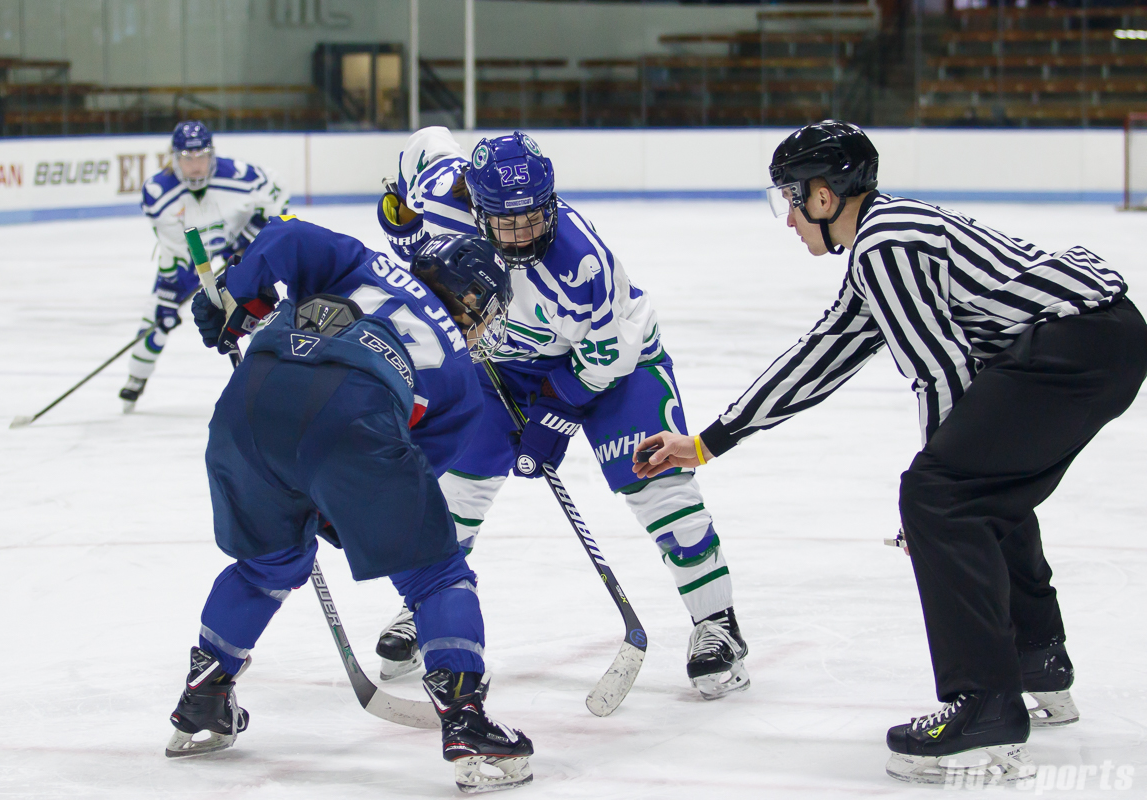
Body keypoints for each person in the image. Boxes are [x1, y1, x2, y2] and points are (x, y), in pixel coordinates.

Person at [633, 120, 1147, 784]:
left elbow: (943, 374)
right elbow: (821, 356)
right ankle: (1034, 659)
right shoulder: (883, 242)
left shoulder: (884, 246)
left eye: (791, 198)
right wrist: (708, 442)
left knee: (943, 496)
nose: (787, 217)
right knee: (980, 491)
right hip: (1099, 340)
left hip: (1075, 346)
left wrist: (938, 492)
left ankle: (985, 704)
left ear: (825, 196)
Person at [371, 127, 749, 700]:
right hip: (507, 362)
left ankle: (717, 624)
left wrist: (555, 414)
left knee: (656, 481)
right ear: (476, 204)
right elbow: (426, 146)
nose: (524, 236)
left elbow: (609, 354)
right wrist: (397, 217)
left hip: (614, 363)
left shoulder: (579, 263)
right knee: (457, 486)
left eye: (535, 218)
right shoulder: (444, 198)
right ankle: (427, 604)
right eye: (508, 222)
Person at [167, 218, 534, 793]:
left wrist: (240, 294)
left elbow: (286, 240)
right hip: (352, 421)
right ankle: (465, 720)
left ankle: (205, 695)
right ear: (472, 302)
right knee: (436, 574)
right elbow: (407, 466)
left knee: (265, 565)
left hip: (245, 409)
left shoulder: (357, 260)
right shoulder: (461, 379)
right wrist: (334, 509)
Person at [121, 120, 289, 411]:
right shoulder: (158, 194)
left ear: (212, 155)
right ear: (174, 159)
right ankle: (137, 378)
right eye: (188, 159)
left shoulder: (241, 177)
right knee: (155, 321)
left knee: (256, 314)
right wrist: (169, 298)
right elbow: (174, 249)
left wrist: (250, 239)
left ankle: (274, 382)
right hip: (189, 258)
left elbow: (277, 192)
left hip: (235, 249)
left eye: (202, 157)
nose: (196, 166)